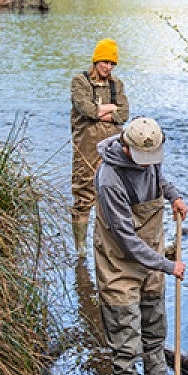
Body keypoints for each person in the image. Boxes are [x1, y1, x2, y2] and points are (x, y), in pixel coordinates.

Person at [94, 117, 187, 375]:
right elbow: (126, 239)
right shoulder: (109, 179)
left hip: (152, 261)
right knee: (126, 340)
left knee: (155, 328)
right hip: (119, 263)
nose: (148, 164)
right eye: (141, 158)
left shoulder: (151, 158)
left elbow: (159, 179)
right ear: (125, 146)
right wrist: (167, 265)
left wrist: (173, 196)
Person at [70, 38, 129, 259]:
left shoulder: (117, 85)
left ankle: (109, 243)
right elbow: (86, 109)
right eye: (105, 62)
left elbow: (123, 114)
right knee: (83, 193)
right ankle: (80, 251)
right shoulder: (80, 81)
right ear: (96, 61)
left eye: (112, 64)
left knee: (113, 193)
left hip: (113, 147)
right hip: (86, 146)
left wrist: (100, 111)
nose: (108, 68)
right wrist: (106, 110)